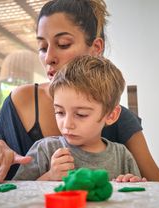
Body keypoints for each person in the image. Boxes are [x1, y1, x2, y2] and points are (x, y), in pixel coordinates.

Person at [0, 0, 159, 184]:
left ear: (95, 48)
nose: (48, 58)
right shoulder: (22, 99)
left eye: (63, 44)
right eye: (42, 47)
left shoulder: (120, 119)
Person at [14, 55, 145, 182]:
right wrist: (49, 176)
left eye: (81, 114)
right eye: (60, 112)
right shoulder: (45, 150)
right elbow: (16, 195)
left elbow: (139, 198)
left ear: (111, 115)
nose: (67, 124)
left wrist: (132, 183)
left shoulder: (122, 156)